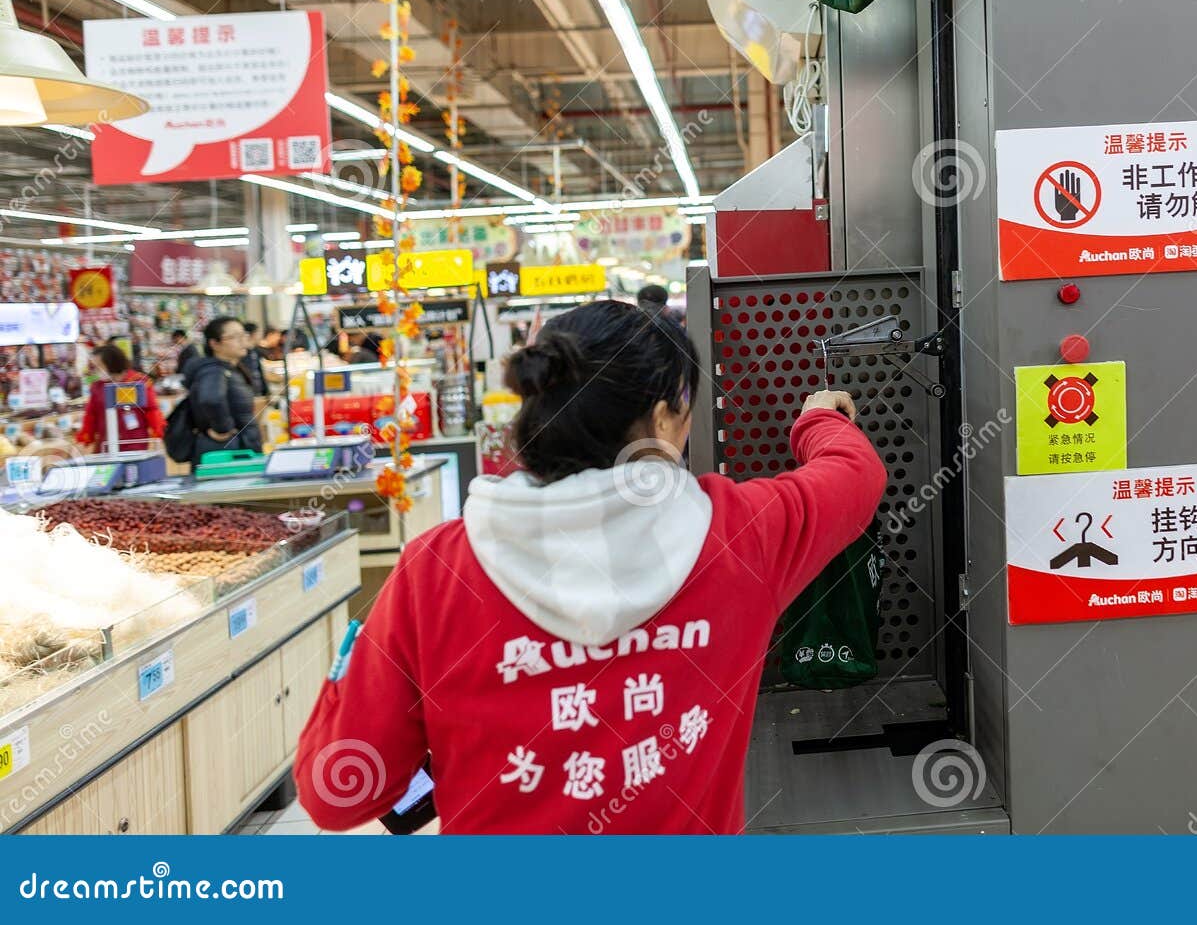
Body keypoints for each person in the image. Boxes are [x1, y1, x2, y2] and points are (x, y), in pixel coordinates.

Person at [295, 301, 885, 834]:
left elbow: (335, 798)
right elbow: (857, 477)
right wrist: (819, 418)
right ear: (660, 422)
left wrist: (356, 671)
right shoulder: (742, 534)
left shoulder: (436, 570)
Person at [180, 317, 263, 459]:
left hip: (238, 447)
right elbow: (211, 399)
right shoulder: (214, 370)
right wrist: (224, 429)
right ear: (214, 344)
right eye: (234, 337)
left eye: (243, 335)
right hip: (229, 451)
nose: (242, 340)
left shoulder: (231, 368)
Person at [76, 344, 165, 454]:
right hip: (106, 445)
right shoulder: (97, 387)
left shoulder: (138, 381)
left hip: (135, 443)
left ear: (111, 363)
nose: (95, 370)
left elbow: (152, 410)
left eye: (99, 366)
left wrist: (157, 435)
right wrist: (84, 440)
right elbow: (91, 415)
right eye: (94, 366)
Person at [239, 321, 268, 396]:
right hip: (250, 394)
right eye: (258, 333)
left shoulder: (255, 351)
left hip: (259, 392)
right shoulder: (242, 354)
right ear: (253, 334)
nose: (260, 336)